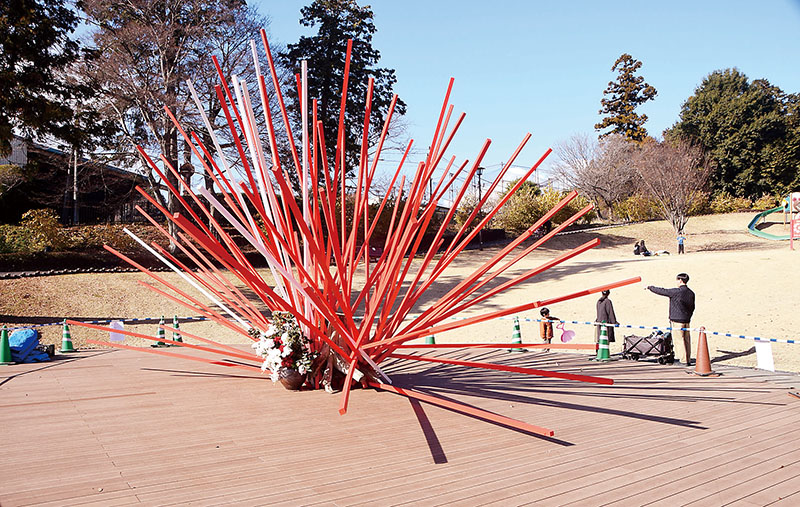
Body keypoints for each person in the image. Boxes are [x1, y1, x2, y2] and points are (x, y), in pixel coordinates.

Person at [646, 273, 696, 365]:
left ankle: (683, 361)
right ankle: (687, 359)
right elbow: (692, 307)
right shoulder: (691, 293)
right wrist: (688, 316)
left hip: (677, 320)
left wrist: (650, 288)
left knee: (679, 340)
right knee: (686, 340)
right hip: (686, 320)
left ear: (680, 280)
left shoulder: (676, 292)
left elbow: (663, 291)